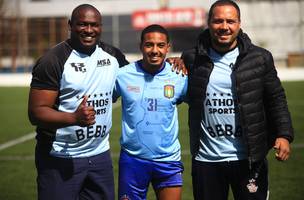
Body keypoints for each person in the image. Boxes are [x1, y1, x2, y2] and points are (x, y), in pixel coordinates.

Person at [28, 4, 185, 200]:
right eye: (82, 24)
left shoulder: (112, 56)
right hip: (60, 157)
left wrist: (172, 63)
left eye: (94, 25)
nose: (88, 29)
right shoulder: (53, 60)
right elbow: (36, 113)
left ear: (101, 27)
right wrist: (73, 118)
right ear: (70, 25)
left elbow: (139, 75)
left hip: (99, 156)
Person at [181, 0, 294, 200]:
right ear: (208, 23)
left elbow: (276, 98)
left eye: (230, 21)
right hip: (207, 160)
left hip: (249, 159)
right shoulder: (191, 58)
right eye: (218, 21)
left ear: (239, 24)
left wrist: (284, 134)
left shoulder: (260, 58)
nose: (224, 27)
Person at [113, 24, 188, 200]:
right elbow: (104, 100)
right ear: (141, 46)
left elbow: (199, 105)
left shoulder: (180, 76)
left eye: (160, 45)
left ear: (168, 47)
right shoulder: (122, 75)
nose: (155, 50)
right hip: (133, 160)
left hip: (168, 160)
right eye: (149, 45)